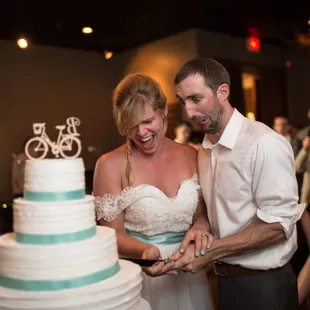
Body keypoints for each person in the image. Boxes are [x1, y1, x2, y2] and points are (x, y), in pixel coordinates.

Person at [167, 58, 305, 310]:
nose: (189, 112)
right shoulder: (205, 150)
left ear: (223, 91)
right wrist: (200, 225)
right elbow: (217, 209)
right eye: (183, 101)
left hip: (264, 285)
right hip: (224, 281)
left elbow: (279, 225)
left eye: (196, 99)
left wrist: (211, 252)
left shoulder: (264, 143)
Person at [92, 73, 214, 310]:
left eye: (148, 121)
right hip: (140, 274)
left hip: (189, 273)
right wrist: (144, 251)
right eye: (131, 125)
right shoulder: (109, 164)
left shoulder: (192, 155)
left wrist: (200, 227)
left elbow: (202, 214)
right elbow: (109, 235)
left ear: (163, 112)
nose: (141, 133)